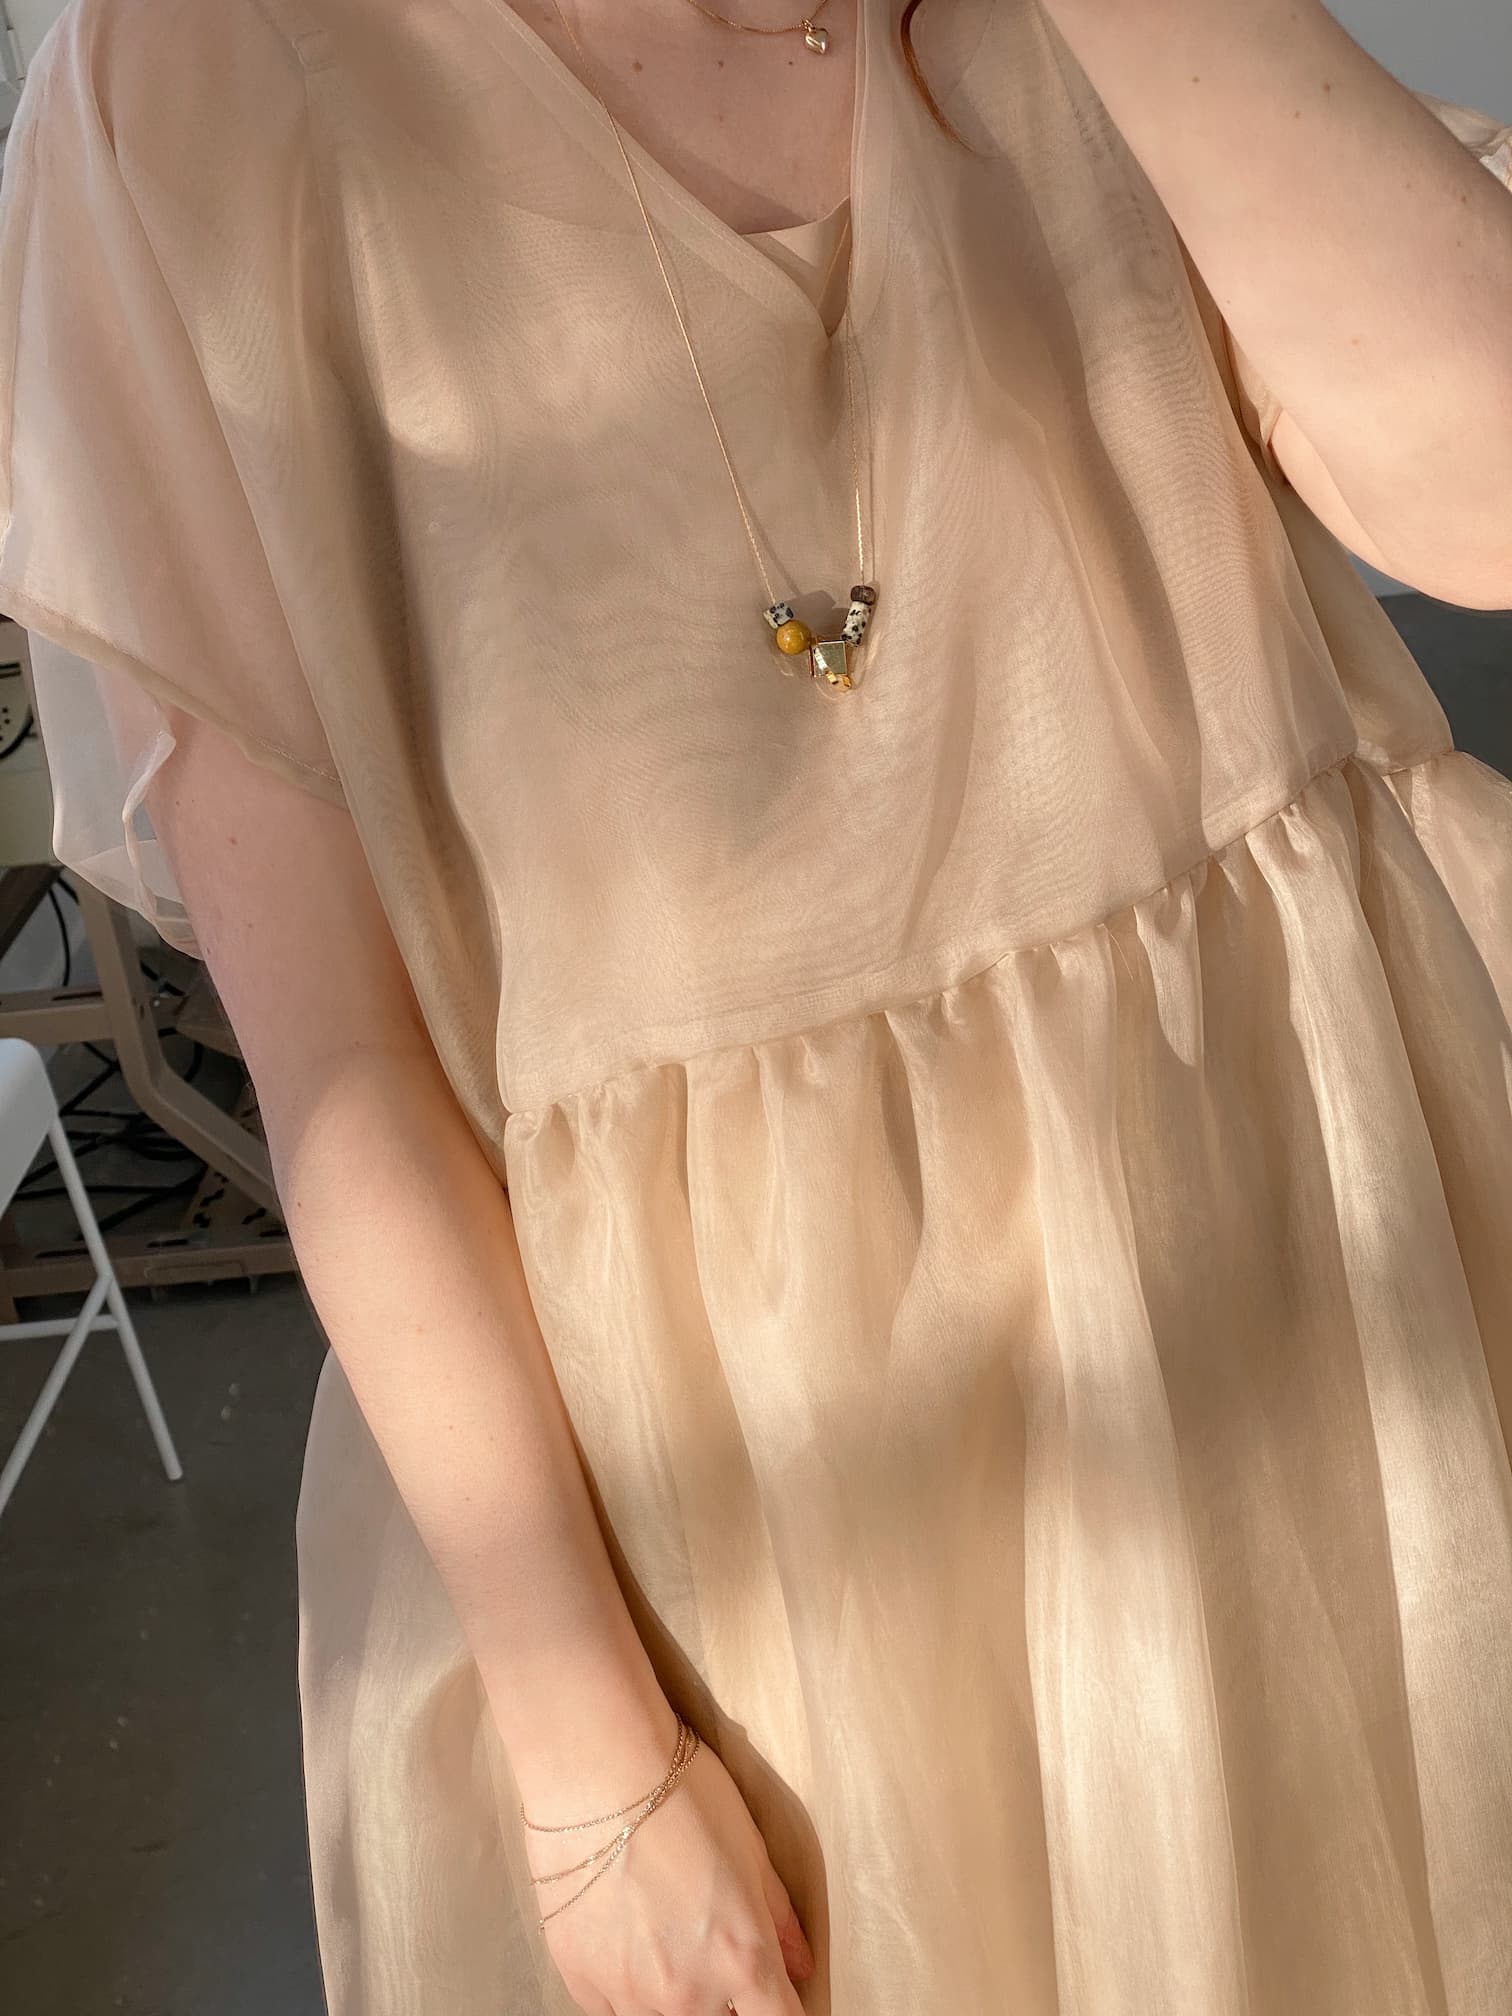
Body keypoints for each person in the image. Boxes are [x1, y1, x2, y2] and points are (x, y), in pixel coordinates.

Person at [1, 0, 1511, 2007]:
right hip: (756, 1508)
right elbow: (341, 1066)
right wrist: (589, 1763)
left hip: (1341, 1296)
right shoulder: (196, 79)